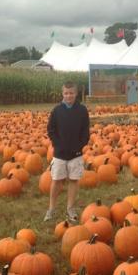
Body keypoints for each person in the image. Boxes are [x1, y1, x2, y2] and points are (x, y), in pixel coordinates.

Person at [44, 81, 90, 222]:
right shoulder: (57, 111)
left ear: (76, 93)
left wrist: (80, 145)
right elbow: (51, 129)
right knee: (56, 180)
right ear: (62, 94)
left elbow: (85, 130)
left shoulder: (82, 110)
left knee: (73, 180)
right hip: (60, 153)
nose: (69, 96)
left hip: (76, 153)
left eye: (71, 93)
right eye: (66, 93)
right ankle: (51, 208)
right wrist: (57, 144)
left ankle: (70, 208)